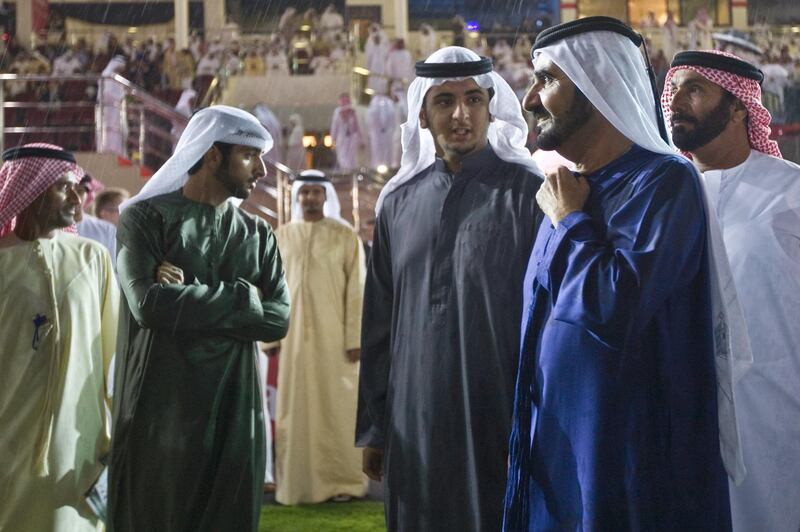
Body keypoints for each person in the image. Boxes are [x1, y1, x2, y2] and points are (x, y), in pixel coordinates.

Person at [503, 18, 749, 530]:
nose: (529, 98)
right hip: (555, 449)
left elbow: (614, 308)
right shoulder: (564, 189)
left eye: (547, 80)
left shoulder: (662, 183)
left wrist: (572, 222)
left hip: (627, 461)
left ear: (596, 85)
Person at [357, 46, 543, 531]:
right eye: (444, 101)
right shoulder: (396, 203)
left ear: (490, 107)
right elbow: (379, 321)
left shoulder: (529, 194)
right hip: (412, 416)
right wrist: (376, 428)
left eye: (473, 100)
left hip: (499, 413)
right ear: (423, 113)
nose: (460, 115)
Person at [108, 106, 290, 532]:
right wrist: (245, 300)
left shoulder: (257, 234)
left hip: (235, 408)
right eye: (249, 156)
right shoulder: (145, 219)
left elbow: (278, 318)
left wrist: (186, 298)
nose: (261, 170)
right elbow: (148, 305)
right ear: (212, 155)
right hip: (162, 406)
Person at [662, 49, 800, 532]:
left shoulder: (790, 191)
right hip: (688, 420)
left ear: (739, 106)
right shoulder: (665, 200)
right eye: (674, 90)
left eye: (695, 89)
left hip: (776, 418)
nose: (677, 101)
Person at [0, 143, 119, 531]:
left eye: (77, 187)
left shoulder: (93, 258)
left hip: (75, 443)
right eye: (62, 187)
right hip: (7, 437)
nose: (76, 198)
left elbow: (114, 356)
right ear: (30, 190)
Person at [273, 170, 367, 504]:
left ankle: (343, 480)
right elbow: (270, 289)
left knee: (337, 408)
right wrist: (270, 337)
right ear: (297, 196)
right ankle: (298, 484)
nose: (310, 198)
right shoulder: (281, 236)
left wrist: (355, 338)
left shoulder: (344, 236)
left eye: (316, 192)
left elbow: (357, 290)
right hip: (293, 340)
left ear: (325, 196)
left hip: (337, 341)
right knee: (295, 411)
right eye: (305, 193)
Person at [75, 174, 117, 268]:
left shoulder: (106, 230)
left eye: (79, 191)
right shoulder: (45, 228)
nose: (74, 197)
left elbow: (113, 270)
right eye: (66, 190)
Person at [98, 55, 128, 156]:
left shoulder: (114, 75)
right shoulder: (107, 75)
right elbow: (107, 93)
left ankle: (116, 151)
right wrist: (120, 97)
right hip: (109, 108)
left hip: (114, 108)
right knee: (110, 129)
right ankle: (110, 150)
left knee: (115, 130)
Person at [331, 93, 364, 171]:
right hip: (341, 139)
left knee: (352, 159)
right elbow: (334, 126)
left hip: (352, 139)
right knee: (342, 158)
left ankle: (351, 173)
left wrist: (361, 140)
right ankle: (346, 172)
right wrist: (333, 139)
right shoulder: (337, 112)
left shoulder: (353, 112)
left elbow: (357, 127)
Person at [366, 93, 398, 168]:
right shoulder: (374, 103)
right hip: (377, 133)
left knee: (387, 151)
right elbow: (370, 120)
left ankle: (388, 167)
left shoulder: (389, 103)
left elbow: (393, 119)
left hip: (387, 133)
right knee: (377, 152)